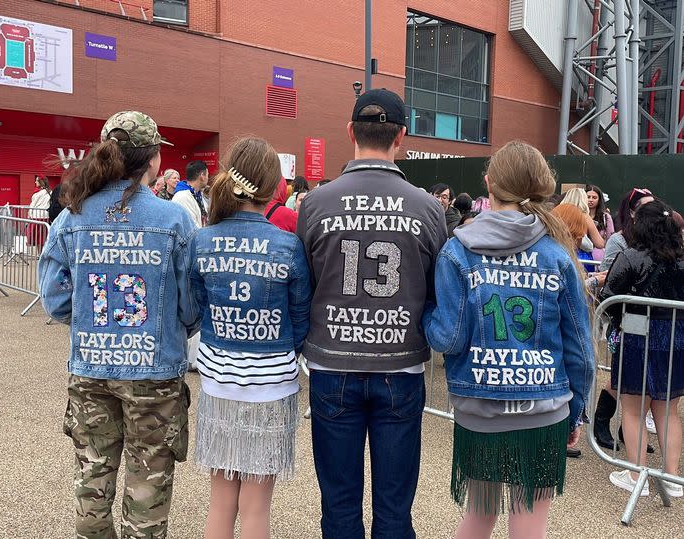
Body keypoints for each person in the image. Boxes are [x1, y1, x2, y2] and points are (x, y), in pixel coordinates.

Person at [38, 110, 198, 538]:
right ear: (152, 160)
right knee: (148, 481)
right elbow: (189, 307)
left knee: (92, 477)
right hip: (154, 373)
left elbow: (54, 300)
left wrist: (91, 318)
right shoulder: (174, 220)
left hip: (90, 367)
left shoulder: (71, 217)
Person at [423, 141, 594, 539]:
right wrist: (578, 408)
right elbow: (582, 350)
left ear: (489, 184)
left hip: (480, 408)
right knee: (530, 523)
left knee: (479, 516)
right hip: (544, 406)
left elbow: (446, 337)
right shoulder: (557, 254)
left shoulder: (457, 251)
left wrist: (427, 316)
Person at [297, 89, 447, 539]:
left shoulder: (316, 203)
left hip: (331, 361)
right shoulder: (426, 207)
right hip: (399, 364)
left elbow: (302, 284)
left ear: (350, 133)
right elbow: (439, 290)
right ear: (401, 135)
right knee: (395, 508)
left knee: (339, 503)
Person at [189, 136, 312, 539]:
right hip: (271, 385)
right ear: (273, 186)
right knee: (256, 506)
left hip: (218, 383)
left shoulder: (203, 240)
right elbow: (299, 317)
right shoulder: (286, 245)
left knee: (221, 499)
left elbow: (196, 306)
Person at [600, 200, 684, 499]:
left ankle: (637, 475)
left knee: (634, 410)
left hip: (637, 333)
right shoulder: (681, 258)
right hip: (676, 338)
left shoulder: (631, 256)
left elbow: (609, 295)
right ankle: (672, 477)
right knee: (669, 409)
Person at [593, 187, 657, 452]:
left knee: (647, 383)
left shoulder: (659, 240)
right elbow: (609, 276)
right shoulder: (619, 240)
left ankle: (629, 432)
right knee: (622, 378)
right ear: (631, 211)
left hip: (656, 324)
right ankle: (601, 424)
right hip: (626, 321)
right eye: (643, 205)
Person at [560, 188, 604, 255]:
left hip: (560, 251)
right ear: (583, 200)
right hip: (578, 256)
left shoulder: (558, 212)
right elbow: (599, 243)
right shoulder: (584, 216)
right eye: (587, 197)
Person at [173, 161, 209, 227]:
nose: (208, 178)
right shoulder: (182, 197)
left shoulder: (198, 194)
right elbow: (191, 227)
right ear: (202, 176)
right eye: (207, 175)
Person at [586, 184, 613, 262]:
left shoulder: (606, 217)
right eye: (588, 197)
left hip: (599, 259)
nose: (591, 200)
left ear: (599, 200)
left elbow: (610, 240)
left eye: (594, 197)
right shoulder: (579, 215)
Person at [28, 176, 52, 250]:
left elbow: (32, 205)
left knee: (37, 237)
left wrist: (29, 215)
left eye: (36, 181)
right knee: (43, 237)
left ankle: (40, 254)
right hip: (45, 216)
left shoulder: (37, 194)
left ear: (41, 182)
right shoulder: (50, 192)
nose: (35, 182)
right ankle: (42, 253)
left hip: (36, 216)